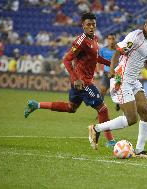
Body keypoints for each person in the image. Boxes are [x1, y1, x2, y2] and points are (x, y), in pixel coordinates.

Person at [24, 12, 117, 147]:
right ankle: (110, 141)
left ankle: (36, 104)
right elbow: (66, 59)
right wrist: (76, 79)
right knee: (102, 109)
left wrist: (111, 64)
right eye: (88, 25)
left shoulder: (95, 39)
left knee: (71, 107)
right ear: (83, 26)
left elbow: (95, 57)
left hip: (81, 82)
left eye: (93, 24)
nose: (91, 27)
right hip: (82, 82)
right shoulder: (81, 41)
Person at [88, 15, 147, 157]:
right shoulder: (135, 36)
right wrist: (111, 69)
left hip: (133, 80)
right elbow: (117, 51)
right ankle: (96, 128)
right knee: (132, 118)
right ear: (145, 25)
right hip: (120, 78)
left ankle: (139, 150)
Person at [99, 33, 120, 111]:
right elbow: (99, 60)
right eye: (110, 39)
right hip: (106, 73)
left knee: (117, 90)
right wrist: (98, 71)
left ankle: (118, 103)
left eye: (113, 39)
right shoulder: (103, 50)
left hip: (117, 73)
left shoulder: (118, 51)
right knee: (103, 90)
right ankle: (100, 108)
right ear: (107, 40)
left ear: (115, 40)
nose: (111, 41)